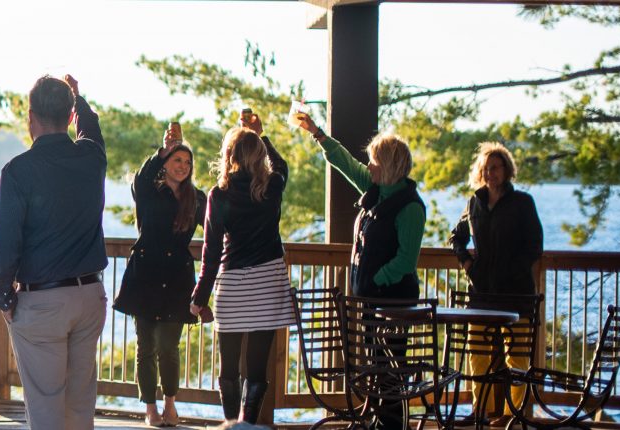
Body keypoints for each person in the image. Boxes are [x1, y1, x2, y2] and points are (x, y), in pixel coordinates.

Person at [0, 74, 109, 430]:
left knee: (45, 409)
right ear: (70, 116)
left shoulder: (17, 172)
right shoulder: (92, 157)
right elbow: (92, 128)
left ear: (31, 117)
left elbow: (5, 242)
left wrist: (4, 296)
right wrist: (79, 99)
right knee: (80, 405)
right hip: (89, 296)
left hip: (41, 302)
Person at [294, 114, 425, 430]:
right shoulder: (376, 191)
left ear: (390, 165)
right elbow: (347, 164)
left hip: (393, 301)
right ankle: (378, 420)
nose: (369, 166)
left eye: (374, 161)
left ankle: (392, 424)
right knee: (375, 364)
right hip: (369, 298)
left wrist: (374, 281)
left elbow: (406, 260)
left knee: (390, 366)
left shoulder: (410, 207)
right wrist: (318, 134)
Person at [188, 111, 295, 427]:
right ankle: (248, 423)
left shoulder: (218, 195)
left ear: (229, 156)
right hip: (268, 283)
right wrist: (261, 135)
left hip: (232, 285)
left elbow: (210, 254)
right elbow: (282, 167)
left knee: (229, 368)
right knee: (257, 368)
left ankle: (231, 424)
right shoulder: (272, 186)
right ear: (259, 155)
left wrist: (198, 297)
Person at [112, 122, 204, 428]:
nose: (183, 166)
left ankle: (170, 404)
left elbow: (218, 227)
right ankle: (149, 408)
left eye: (187, 162)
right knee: (146, 344)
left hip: (177, 277)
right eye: (177, 160)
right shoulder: (149, 191)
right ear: (164, 163)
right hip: (146, 275)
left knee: (168, 345)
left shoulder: (196, 197)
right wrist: (163, 148)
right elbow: (140, 177)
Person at [451, 142, 542, 420]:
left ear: (507, 170)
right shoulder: (474, 202)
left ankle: (513, 414)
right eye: (486, 168)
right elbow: (457, 236)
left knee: (516, 357)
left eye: (496, 167)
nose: (490, 173)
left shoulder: (522, 203)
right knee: (476, 353)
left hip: (517, 294)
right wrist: (467, 263)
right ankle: (480, 410)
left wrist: (512, 269)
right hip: (481, 293)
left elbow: (534, 246)